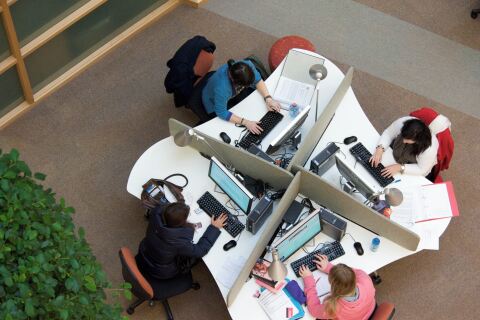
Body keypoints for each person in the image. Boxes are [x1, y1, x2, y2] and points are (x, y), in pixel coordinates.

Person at [136, 202, 228, 280]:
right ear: (181, 224)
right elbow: (200, 250)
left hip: (145, 252)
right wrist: (214, 228)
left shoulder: (155, 213)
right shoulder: (179, 242)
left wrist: (177, 208)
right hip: (161, 270)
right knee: (194, 257)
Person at [202, 59, 281, 134]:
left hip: (231, 94)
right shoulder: (222, 88)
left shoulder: (246, 66)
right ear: (235, 83)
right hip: (213, 101)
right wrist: (246, 122)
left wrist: (268, 98)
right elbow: (221, 112)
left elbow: (257, 80)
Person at [299, 255, 376, 320]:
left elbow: (314, 310)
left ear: (332, 285)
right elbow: (353, 272)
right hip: (371, 310)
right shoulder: (365, 279)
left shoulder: (334, 307)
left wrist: (308, 281)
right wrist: (329, 267)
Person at [370, 116, 439, 178]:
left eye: (407, 140)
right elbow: (389, 133)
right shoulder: (402, 122)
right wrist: (380, 148)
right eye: (403, 136)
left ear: (418, 140)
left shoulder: (429, 150)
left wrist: (400, 167)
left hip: (412, 165)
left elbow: (421, 169)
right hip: (395, 154)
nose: (403, 141)